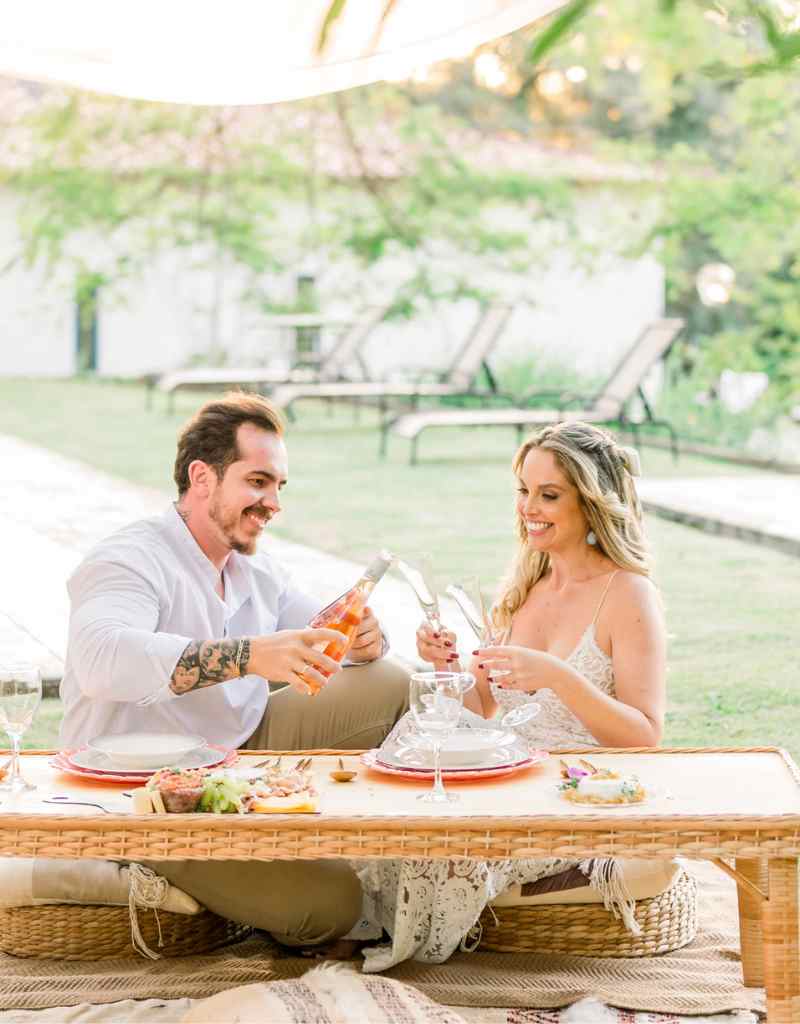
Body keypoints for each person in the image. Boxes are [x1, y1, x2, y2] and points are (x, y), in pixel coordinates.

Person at [59, 392, 409, 949]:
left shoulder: (255, 566)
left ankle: (338, 843)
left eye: (278, 486)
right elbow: (101, 660)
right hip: (144, 796)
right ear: (202, 477)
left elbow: (322, 635)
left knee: (391, 682)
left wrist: (367, 640)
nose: (273, 502)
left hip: (234, 758)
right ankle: (213, 874)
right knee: (333, 905)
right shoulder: (128, 558)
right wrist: (248, 656)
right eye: (257, 481)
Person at [354, 421, 666, 971]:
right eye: (523, 490)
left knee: (447, 832)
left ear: (592, 503)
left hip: (576, 789)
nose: (529, 508)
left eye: (549, 495)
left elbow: (644, 736)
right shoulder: (526, 586)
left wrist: (557, 675)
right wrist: (446, 665)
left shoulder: (628, 593)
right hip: (509, 768)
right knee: (410, 754)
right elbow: (481, 708)